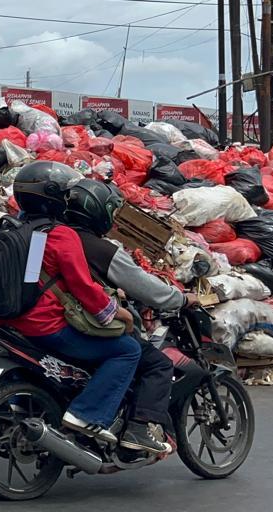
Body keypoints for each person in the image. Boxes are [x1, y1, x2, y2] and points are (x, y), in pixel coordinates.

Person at [4, 162, 150, 451]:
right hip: (47, 327)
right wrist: (116, 312)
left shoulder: (25, 231)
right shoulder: (59, 235)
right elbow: (83, 287)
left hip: (16, 322)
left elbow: (34, 279)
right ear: (54, 199)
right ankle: (87, 414)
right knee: (128, 350)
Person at [65, 179, 187, 455]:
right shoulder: (100, 248)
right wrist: (178, 298)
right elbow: (140, 286)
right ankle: (139, 427)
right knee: (151, 361)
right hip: (80, 324)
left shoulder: (47, 236)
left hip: (45, 321)